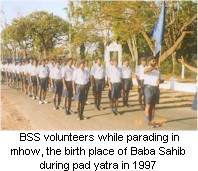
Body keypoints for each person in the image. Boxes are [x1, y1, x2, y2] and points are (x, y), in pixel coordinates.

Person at [144, 56, 164, 126]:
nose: (154, 62)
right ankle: (148, 121)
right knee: (148, 106)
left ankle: (152, 120)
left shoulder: (158, 71)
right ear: (149, 61)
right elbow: (145, 71)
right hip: (148, 88)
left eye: (155, 61)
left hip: (156, 88)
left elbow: (162, 80)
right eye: (153, 61)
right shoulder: (146, 68)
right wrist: (155, 68)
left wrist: (160, 81)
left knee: (153, 106)